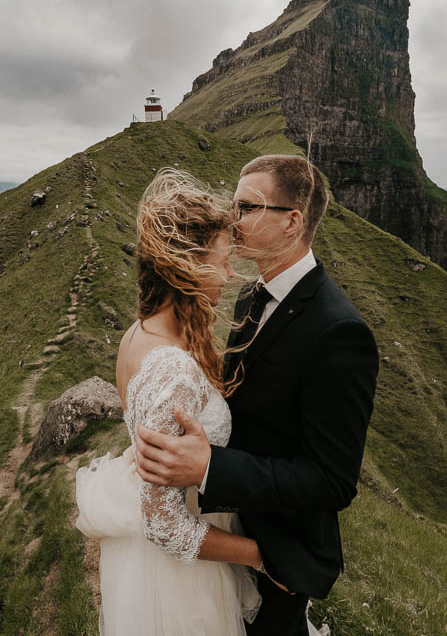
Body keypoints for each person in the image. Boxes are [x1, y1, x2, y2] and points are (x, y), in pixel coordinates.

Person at [134, 154, 379, 636]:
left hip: (279, 553)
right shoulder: (249, 296)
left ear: (292, 222)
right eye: (234, 203)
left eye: (247, 207)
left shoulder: (340, 331)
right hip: (225, 532)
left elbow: (333, 482)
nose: (231, 217)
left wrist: (209, 468)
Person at [75, 168, 274, 635]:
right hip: (180, 579)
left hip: (160, 561)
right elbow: (165, 523)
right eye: (221, 261)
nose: (228, 275)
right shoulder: (172, 368)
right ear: (187, 265)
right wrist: (263, 556)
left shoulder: (136, 335)